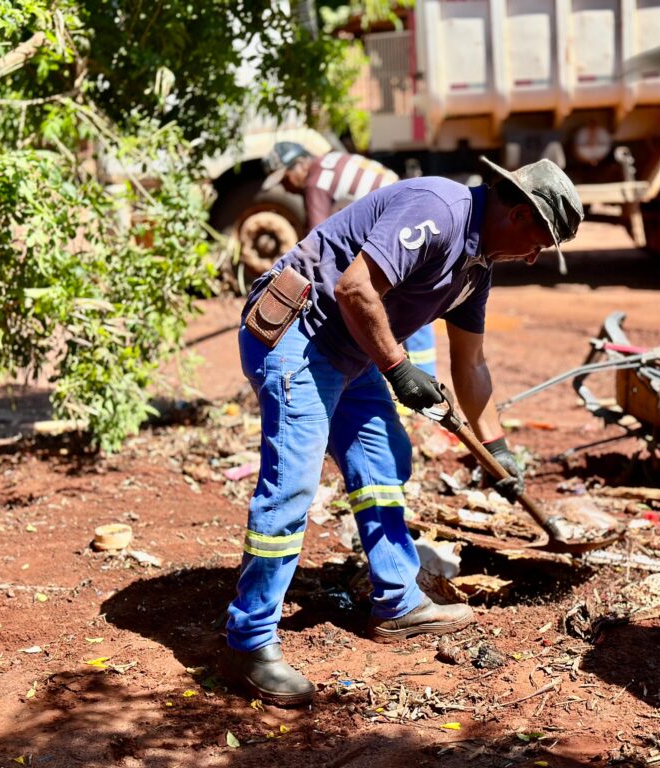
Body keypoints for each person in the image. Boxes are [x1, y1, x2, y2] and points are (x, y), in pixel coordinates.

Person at [225, 157, 584, 705]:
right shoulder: (438, 210)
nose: (534, 257)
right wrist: (398, 368)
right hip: (300, 332)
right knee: (293, 486)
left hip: (350, 349)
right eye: (539, 241)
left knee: (383, 462)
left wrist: (498, 448)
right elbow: (354, 289)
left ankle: (397, 601)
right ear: (517, 213)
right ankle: (250, 644)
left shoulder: (475, 269)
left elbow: (472, 364)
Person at [262, 141, 438, 376]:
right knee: (409, 302)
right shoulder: (331, 161)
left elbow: (317, 242)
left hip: (402, 223)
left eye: (285, 178)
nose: (285, 188)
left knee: (399, 303)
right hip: (412, 215)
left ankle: (421, 388)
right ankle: (420, 380)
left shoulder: (317, 180)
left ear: (300, 164)